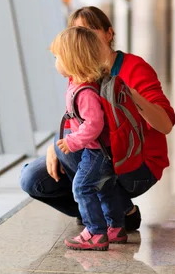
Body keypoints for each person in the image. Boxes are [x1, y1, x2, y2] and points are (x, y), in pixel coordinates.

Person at [20, 6, 175, 232]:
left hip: (137, 166)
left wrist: (128, 95)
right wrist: (56, 143)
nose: (82, 38)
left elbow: (166, 125)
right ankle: (107, 212)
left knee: (70, 151)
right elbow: (79, 121)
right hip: (100, 154)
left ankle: (116, 213)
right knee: (32, 178)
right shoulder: (78, 72)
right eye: (76, 31)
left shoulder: (135, 68)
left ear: (109, 34)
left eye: (89, 31)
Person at [51, 26, 125, 250]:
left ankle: (95, 232)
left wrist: (72, 141)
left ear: (73, 60)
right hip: (105, 149)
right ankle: (116, 227)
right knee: (106, 188)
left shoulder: (84, 92)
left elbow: (94, 124)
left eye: (58, 57)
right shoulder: (84, 84)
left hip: (98, 152)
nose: (56, 62)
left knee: (82, 187)